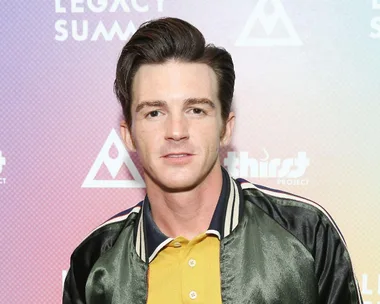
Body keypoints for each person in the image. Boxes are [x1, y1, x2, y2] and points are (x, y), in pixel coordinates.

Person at [63, 17, 363, 304]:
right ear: (128, 135)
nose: (176, 131)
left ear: (225, 128)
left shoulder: (306, 232)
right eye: (154, 112)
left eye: (196, 110)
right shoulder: (95, 264)